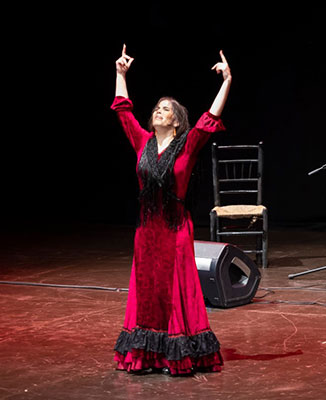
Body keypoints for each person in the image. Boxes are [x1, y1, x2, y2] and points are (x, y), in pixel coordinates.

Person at [111, 44, 231, 375]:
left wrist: (226, 81)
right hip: (147, 231)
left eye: (165, 109)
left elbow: (209, 120)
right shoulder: (142, 142)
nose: (158, 111)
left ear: (176, 121)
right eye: (157, 108)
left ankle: (176, 353)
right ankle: (147, 354)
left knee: (176, 290)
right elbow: (123, 111)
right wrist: (120, 75)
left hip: (175, 228)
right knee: (147, 292)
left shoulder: (187, 146)